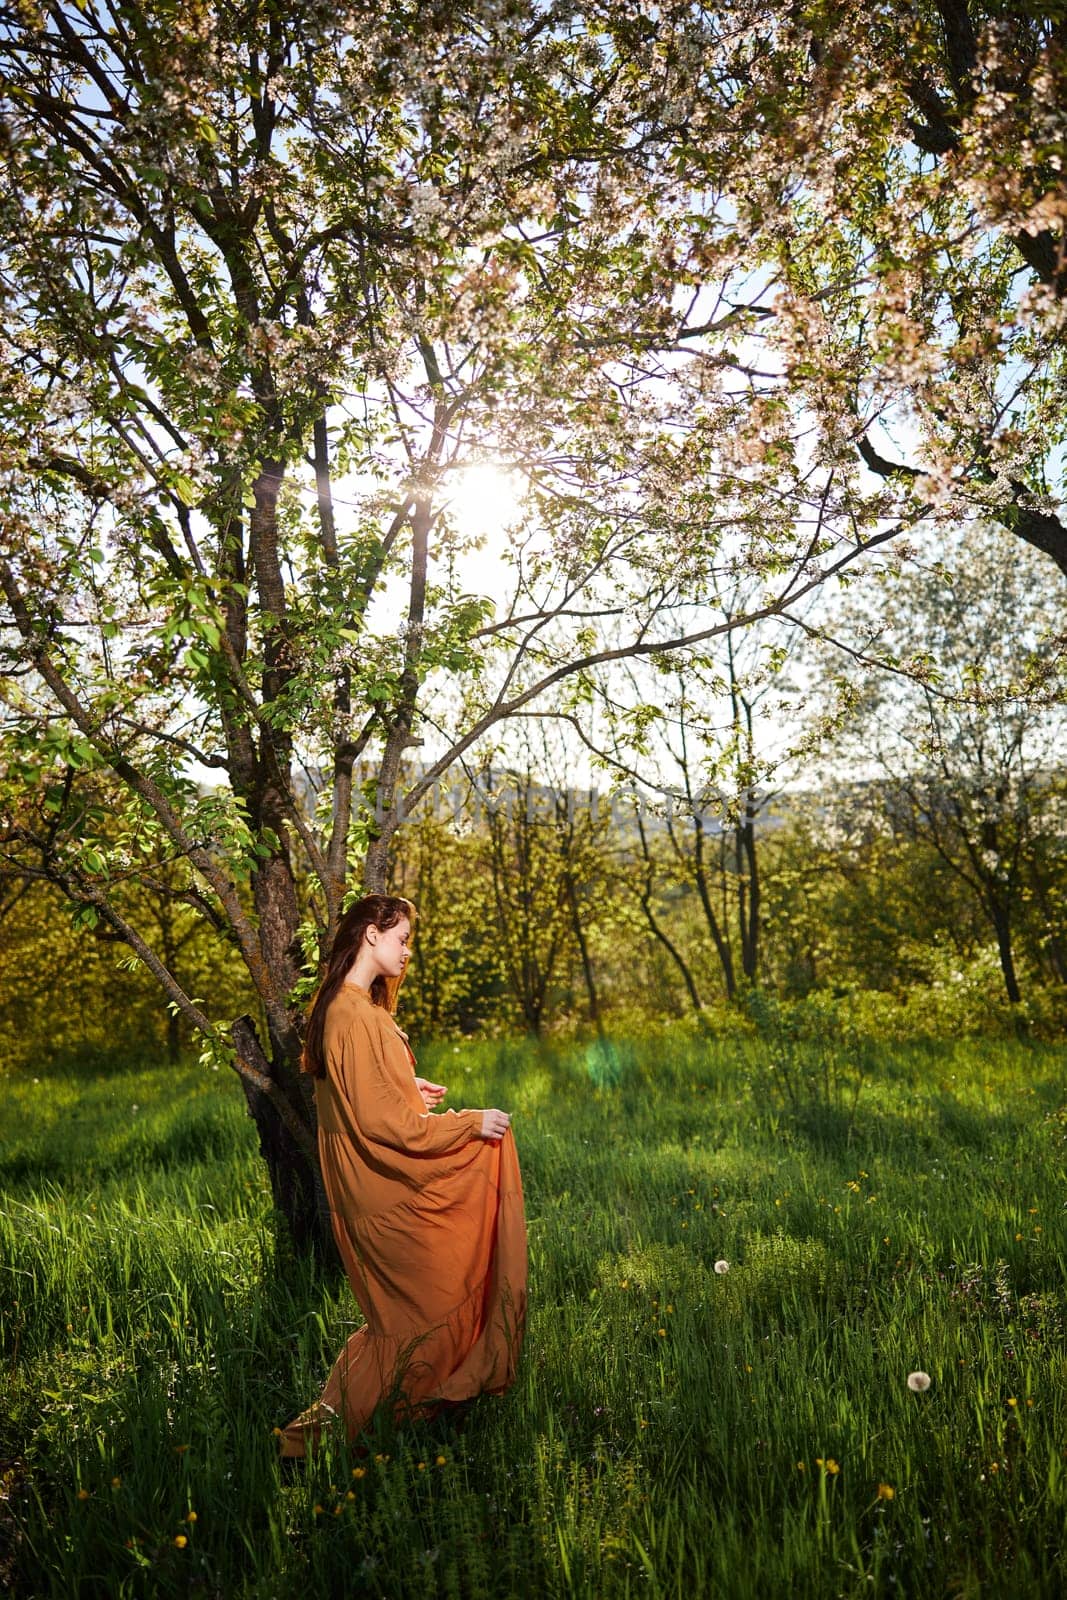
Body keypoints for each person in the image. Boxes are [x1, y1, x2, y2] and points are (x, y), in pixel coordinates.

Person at [279, 893, 526, 1458]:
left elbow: (358, 1094)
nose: (408, 952)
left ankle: (409, 1418)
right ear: (370, 935)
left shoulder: (353, 1007)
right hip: (380, 1187)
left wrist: (409, 1088)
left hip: (373, 1183)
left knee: (418, 1309)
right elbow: (380, 1123)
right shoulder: (347, 1012)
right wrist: (466, 1124)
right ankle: (325, 1440)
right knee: (421, 1307)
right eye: (402, 939)